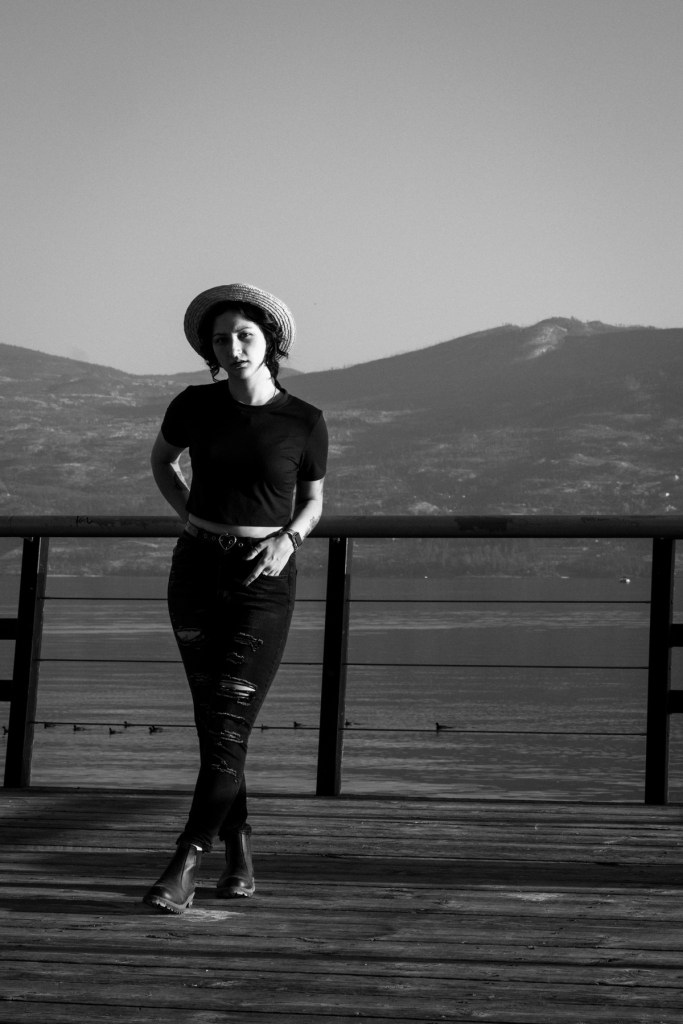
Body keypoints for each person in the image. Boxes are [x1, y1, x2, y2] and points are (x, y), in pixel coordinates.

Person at [143, 283, 327, 914]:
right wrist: (191, 519)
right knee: (216, 723)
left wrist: (287, 540)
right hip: (196, 572)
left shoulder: (304, 420)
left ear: (269, 342)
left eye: (245, 335)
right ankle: (240, 846)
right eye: (221, 339)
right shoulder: (193, 405)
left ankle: (187, 859)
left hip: (263, 579)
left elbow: (313, 500)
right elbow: (162, 463)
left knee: (228, 720)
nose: (233, 347)